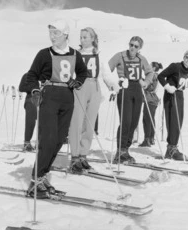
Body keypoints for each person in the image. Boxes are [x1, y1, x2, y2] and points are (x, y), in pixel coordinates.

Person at [25, 19, 88, 198]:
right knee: (48, 140)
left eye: (56, 33)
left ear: (65, 34)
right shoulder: (44, 54)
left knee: (59, 140)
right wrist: (35, 90)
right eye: (51, 32)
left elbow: (83, 72)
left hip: (67, 98)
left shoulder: (75, 54)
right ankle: (35, 181)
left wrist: (79, 81)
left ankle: (43, 175)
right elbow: (31, 76)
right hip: (50, 96)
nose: (52, 36)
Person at [68, 27, 120, 173]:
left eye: (85, 37)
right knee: (76, 123)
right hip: (80, 87)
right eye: (81, 37)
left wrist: (112, 84)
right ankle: (74, 157)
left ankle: (83, 155)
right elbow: (69, 72)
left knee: (89, 124)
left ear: (92, 38)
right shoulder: (75, 54)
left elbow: (105, 73)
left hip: (94, 87)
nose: (82, 40)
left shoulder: (98, 54)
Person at [108, 36, 154, 164]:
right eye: (131, 45)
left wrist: (146, 82)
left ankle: (125, 150)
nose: (132, 48)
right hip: (125, 88)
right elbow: (107, 69)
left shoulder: (141, 59)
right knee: (126, 121)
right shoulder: (120, 56)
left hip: (137, 89)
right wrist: (114, 84)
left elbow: (150, 72)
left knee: (134, 122)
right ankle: (120, 151)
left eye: (136, 46)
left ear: (140, 48)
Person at [157, 50, 188, 160]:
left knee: (179, 122)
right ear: (183, 57)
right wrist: (167, 87)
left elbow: (184, 83)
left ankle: (172, 148)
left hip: (180, 96)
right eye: (187, 57)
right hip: (171, 95)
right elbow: (160, 76)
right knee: (173, 122)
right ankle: (171, 149)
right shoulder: (175, 66)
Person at [139, 62, 163, 147]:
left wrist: (141, 81)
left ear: (153, 68)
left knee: (147, 119)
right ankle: (151, 138)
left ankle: (147, 139)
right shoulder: (156, 75)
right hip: (153, 100)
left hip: (150, 99)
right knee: (151, 119)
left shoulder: (152, 75)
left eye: (150, 65)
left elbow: (150, 87)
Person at [18, 72, 37, 152]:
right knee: (30, 122)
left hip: (44, 100)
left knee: (44, 123)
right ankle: (27, 143)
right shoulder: (28, 75)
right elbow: (21, 88)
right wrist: (33, 88)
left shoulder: (46, 76)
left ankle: (40, 143)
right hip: (31, 99)